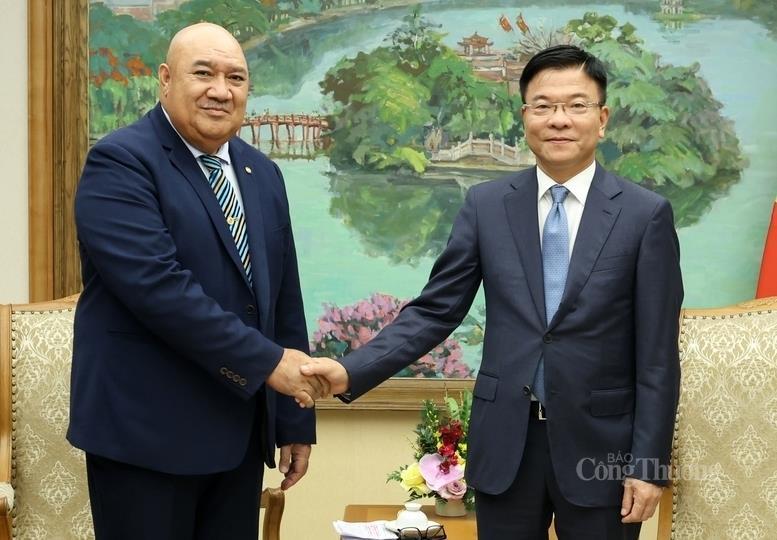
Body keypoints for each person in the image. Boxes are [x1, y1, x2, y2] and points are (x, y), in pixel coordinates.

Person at [302, 44, 683, 539]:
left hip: (602, 451)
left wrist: (648, 464)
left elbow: (657, 355)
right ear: (525, 117)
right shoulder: (487, 206)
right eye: (543, 106)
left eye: (576, 105)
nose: (559, 120)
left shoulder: (644, 215)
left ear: (603, 118)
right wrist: (348, 370)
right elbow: (436, 311)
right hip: (507, 444)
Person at [67, 23, 326, 539]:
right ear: (165, 80)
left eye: (236, 77)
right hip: (145, 438)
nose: (220, 90)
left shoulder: (263, 173)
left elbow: (283, 301)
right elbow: (161, 290)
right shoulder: (121, 162)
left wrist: (295, 419)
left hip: (237, 438)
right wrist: (271, 365)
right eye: (202, 73)